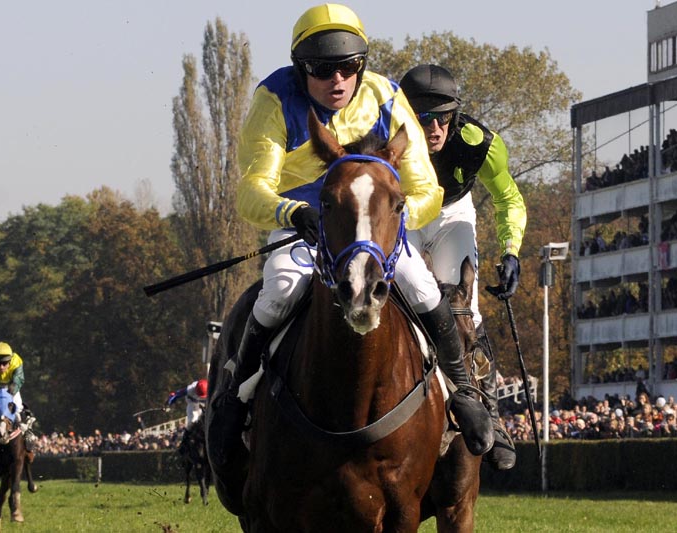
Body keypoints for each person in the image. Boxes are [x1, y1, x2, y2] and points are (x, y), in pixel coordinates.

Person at [208, 3, 495, 471]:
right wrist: (291, 210)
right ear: (301, 67)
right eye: (322, 70)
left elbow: (426, 187)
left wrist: (394, 220)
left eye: (349, 67)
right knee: (278, 292)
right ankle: (234, 402)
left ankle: (464, 392)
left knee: (423, 288)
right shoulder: (274, 99)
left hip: (378, 231)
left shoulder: (386, 94)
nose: (337, 80)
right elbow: (250, 189)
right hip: (306, 225)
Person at [399, 64, 527, 471]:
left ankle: (490, 412)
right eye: (423, 119)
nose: (435, 128)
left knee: (463, 307)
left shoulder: (481, 144)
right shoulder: (383, 133)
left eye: (443, 117)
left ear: (455, 115)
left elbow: (509, 199)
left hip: (453, 214)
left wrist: (511, 251)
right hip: (403, 214)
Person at [166, 378, 208, 454]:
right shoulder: (190, 389)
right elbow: (175, 394)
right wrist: (169, 403)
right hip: (193, 404)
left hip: (206, 404)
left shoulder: (212, 388)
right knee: (192, 422)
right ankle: (184, 444)